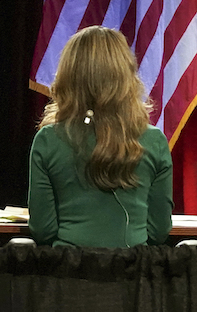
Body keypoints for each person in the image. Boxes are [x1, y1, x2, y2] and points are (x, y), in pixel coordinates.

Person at [27, 26, 173, 248]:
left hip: (66, 274)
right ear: (126, 76)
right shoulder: (155, 141)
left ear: (68, 77)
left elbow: (43, 230)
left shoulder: (48, 140)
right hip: (134, 275)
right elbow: (158, 231)